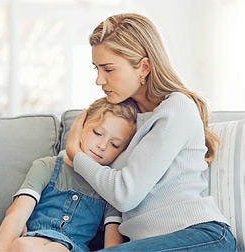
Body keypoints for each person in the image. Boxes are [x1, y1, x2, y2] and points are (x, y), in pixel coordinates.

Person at [66, 13, 240, 251]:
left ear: (144, 67)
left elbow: (124, 193)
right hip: (146, 243)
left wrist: (76, 155)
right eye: (96, 68)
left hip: (200, 236)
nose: (98, 80)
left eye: (108, 69)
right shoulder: (126, 122)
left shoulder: (177, 107)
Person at [0, 97, 138, 252]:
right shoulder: (46, 166)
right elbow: (17, 215)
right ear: (80, 125)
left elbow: (112, 243)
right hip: (31, 242)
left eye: (114, 145)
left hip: (71, 249)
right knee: (22, 245)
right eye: (97, 133)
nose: (102, 146)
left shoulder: (111, 186)